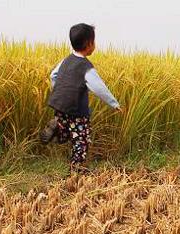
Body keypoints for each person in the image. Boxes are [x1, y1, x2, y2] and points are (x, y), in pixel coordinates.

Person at [40, 23, 123, 173]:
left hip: (60, 105)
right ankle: (76, 168)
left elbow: (53, 75)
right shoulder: (86, 67)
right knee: (81, 139)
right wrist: (114, 103)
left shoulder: (66, 60)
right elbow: (99, 88)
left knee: (65, 130)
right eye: (94, 41)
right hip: (77, 110)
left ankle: (57, 127)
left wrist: (60, 90)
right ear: (89, 44)